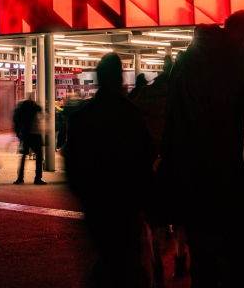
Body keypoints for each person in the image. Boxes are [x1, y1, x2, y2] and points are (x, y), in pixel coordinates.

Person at [160, 11, 244, 288]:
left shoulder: (185, 68)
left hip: (193, 204)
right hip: (236, 209)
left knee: (203, 277)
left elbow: (172, 130)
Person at [67, 53, 158, 287]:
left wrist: (86, 197)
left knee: (106, 261)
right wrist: (149, 207)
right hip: (125, 207)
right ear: (120, 80)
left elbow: (72, 166)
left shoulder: (81, 118)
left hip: (95, 207)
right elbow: (146, 164)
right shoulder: (131, 118)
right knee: (129, 266)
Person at [133, 53, 186, 286]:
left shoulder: (144, 94)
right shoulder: (183, 94)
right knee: (182, 218)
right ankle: (180, 261)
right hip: (177, 160)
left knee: (152, 224)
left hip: (148, 162)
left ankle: (157, 271)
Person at [11, 97, 46, 185]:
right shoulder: (37, 108)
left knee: (23, 157)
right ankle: (38, 178)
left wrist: (18, 134)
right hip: (37, 135)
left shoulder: (21, 110)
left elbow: (16, 121)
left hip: (26, 135)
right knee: (39, 158)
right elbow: (41, 119)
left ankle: (20, 178)